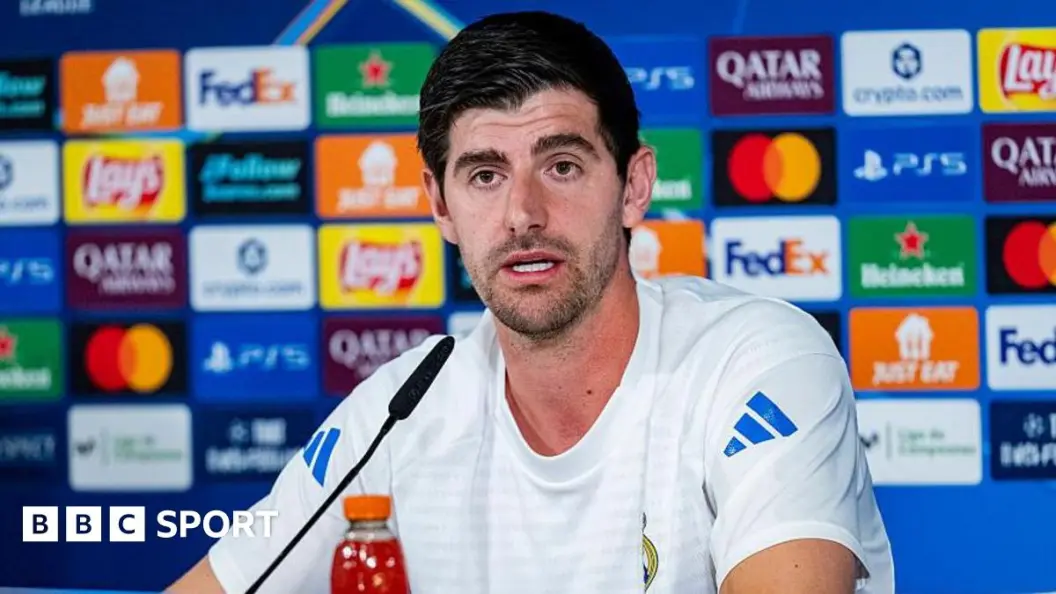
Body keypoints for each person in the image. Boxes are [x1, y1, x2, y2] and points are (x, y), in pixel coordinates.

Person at [168, 10, 894, 594]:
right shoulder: (400, 409)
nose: (523, 213)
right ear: (441, 207)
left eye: (563, 165)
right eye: (485, 176)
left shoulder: (757, 361)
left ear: (634, 186)